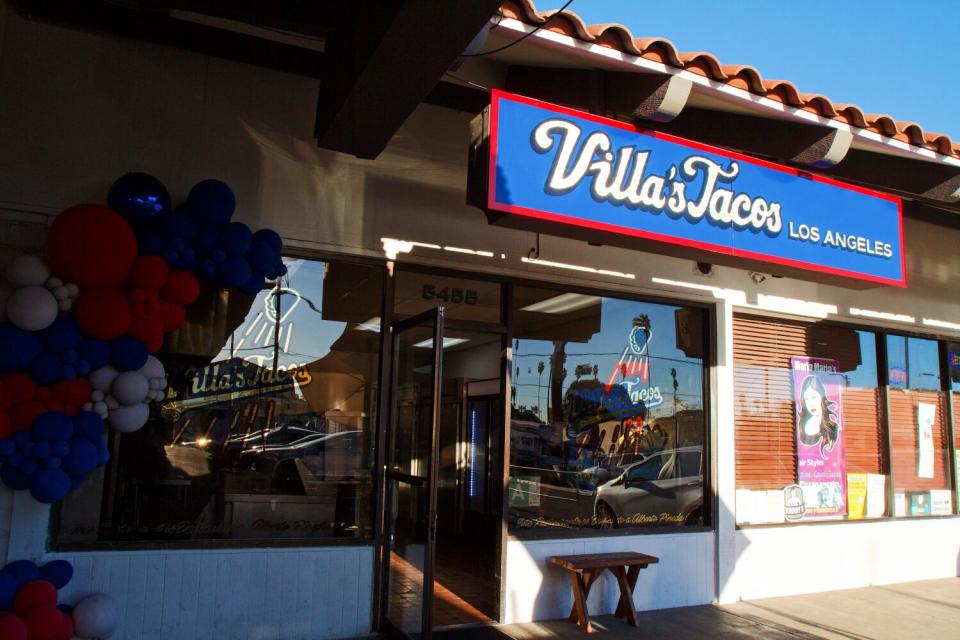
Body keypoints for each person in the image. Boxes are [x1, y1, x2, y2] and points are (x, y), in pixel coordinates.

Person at [797, 375, 839, 456]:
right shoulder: (801, 424)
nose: (811, 403)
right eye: (806, 399)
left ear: (822, 397)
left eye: (814, 397)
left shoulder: (832, 428)